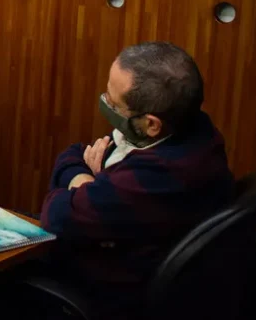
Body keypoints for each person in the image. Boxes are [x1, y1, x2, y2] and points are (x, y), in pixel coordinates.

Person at [39, 42, 234, 317]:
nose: (105, 103)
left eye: (114, 104)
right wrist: (87, 182)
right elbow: (74, 153)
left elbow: (56, 215)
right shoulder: (195, 129)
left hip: (105, 289)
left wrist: (88, 186)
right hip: (118, 250)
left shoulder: (159, 177)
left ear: (152, 124)